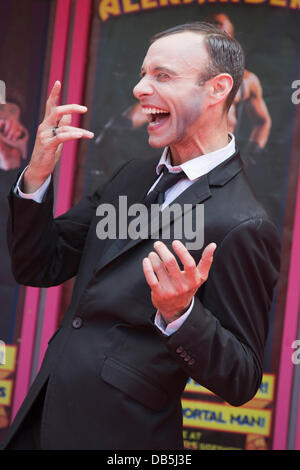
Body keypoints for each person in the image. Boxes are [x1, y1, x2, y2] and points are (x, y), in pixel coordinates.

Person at [1, 22, 280, 450]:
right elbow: (41, 263)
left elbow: (241, 379)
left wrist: (180, 313)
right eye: (143, 73)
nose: (139, 88)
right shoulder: (132, 178)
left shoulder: (242, 222)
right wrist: (36, 174)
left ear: (217, 89)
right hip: (43, 413)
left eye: (162, 76)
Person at [207, 13, 272, 165]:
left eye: (223, 32)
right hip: (187, 163)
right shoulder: (185, 74)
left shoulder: (247, 80)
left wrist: (252, 153)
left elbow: (263, 121)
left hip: (223, 164)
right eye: (213, 29)